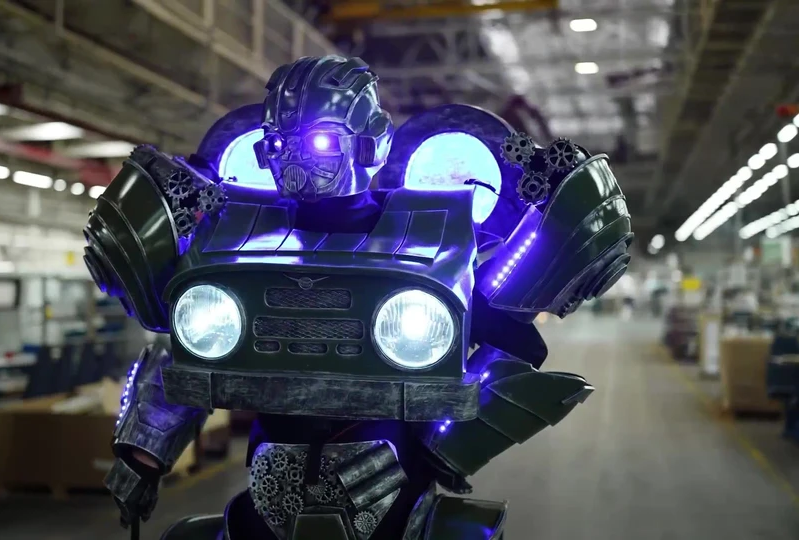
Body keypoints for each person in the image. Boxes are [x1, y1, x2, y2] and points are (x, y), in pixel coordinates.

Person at [82, 55, 633, 539]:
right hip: (269, 479)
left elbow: (513, 340)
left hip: (398, 481)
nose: (297, 158)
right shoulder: (234, 235)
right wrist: (143, 451)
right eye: (280, 142)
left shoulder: (435, 235)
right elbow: (184, 352)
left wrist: (448, 439)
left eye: (320, 140)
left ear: (370, 139)